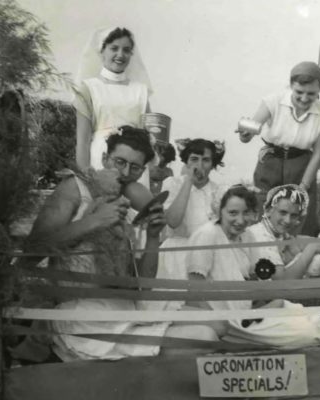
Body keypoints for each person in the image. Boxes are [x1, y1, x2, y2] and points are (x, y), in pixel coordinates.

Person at [22, 129, 214, 361]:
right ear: (104, 159)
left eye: (134, 167)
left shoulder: (131, 203)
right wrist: (94, 221)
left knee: (215, 323)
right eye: (119, 162)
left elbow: (144, 283)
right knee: (204, 337)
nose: (124, 173)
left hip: (125, 307)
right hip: (84, 314)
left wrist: (153, 238)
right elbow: (32, 251)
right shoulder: (75, 188)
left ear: (142, 171)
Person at [186, 185, 320, 347]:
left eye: (245, 213)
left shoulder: (246, 235)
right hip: (232, 321)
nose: (240, 220)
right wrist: (217, 327)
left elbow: (257, 278)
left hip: (254, 310)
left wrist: (271, 303)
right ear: (220, 211)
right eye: (233, 213)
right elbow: (194, 290)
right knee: (311, 333)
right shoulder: (207, 235)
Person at [237, 61, 320, 236]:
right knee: (264, 215)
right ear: (291, 86)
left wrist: (303, 186)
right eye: (299, 92)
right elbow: (248, 134)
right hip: (271, 163)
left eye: (311, 94)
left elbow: (318, 153)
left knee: (300, 220)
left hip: (302, 168)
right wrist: (244, 134)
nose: (304, 99)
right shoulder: (272, 101)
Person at [147, 139, 224, 311]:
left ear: (213, 164)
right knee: (174, 308)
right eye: (194, 159)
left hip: (205, 257)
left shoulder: (219, 191)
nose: (199, 165)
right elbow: (173, 221)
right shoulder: (173, 183)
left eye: (205, 160)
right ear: (186, 161)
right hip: (176, 256)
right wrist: (188, 181)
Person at [73, 26, 151, 172]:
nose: (120, 54)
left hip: (134, 163)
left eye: (126, 50)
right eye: (114, 48)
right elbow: (82, 141)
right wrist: (85, 173)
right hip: (100, 158)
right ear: (102, 51)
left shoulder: (140, 90)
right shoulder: (88, 88)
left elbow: (150, 136)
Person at [248, 184, 320, 279]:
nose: (287, 220)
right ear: (268, 210)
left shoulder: (275, 232)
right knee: (316, 262)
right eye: (283, 212)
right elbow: (283, 281)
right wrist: (311, 248)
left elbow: (292, 242)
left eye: (294, 215)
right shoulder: (260, 236)